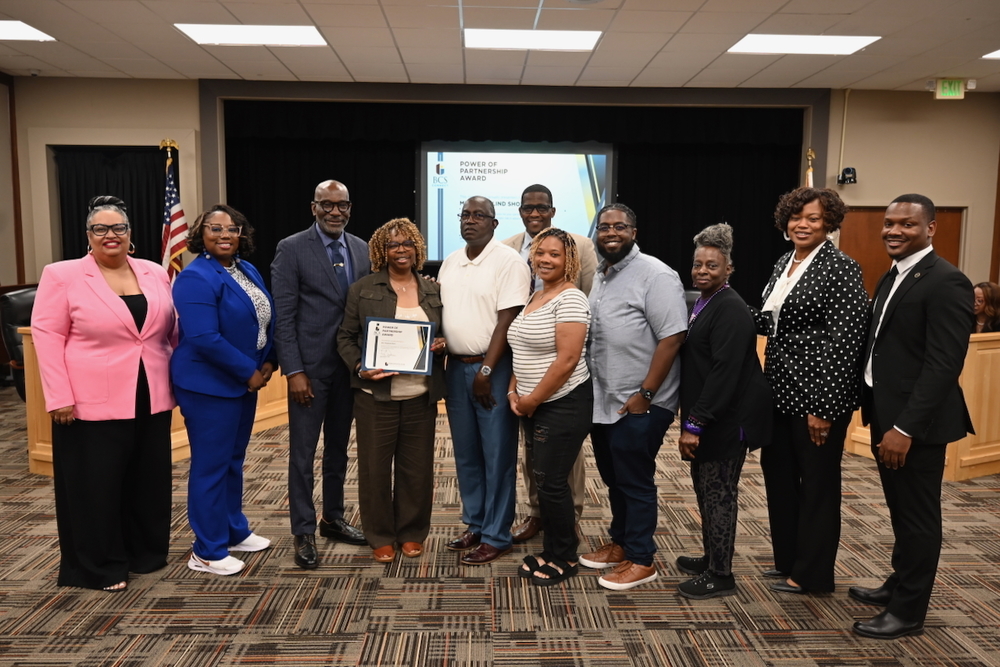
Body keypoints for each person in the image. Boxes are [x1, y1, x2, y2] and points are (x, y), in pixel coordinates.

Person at [32, 195, 176, 592]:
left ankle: (144, 553)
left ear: (130, 235)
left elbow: (169, 331)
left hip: (151, 394)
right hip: (87, 401)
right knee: (96, 486)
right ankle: (98, 565)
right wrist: (57, 395)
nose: (110, 235)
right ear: (88, 235)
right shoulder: (62, 275)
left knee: (147, 480)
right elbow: (47, 338)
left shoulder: (154, 273)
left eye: (118, 228)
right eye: (100, 228)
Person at [852, 194, 974, 639]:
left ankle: (908, 612)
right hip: (889, 417)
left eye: (906, 224)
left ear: (931, 228)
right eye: (889, 223)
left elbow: (944, 365)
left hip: (915, 427)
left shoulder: (947, 281)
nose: (893, 231)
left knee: (919, 518)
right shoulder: (896, 274)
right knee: (901, 511)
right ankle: (899, 583)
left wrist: (904, 428)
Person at [753, 186, 868, 596]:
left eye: (813, 218)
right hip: (779, 395)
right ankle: (788, 561)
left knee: (818, 487)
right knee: (779, 479)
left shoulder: (841, 268)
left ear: (830, 222)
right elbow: (770, 322)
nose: (802, 225)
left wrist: (825, 407)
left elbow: (845, 342)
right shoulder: (785, 262)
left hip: (816, 400)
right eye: (796, 217)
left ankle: (814, 574)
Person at [580, 203, 687, 591]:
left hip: (640, 403)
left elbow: (673, 337)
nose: (610, 232)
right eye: (604, 226)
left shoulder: (656, 275)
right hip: (604, 401)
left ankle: (642, 559)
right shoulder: (603, 276)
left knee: (635, 480)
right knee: (614, 477)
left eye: (619, 226)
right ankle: (622, 543)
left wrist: (646, 393)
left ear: (634, 232)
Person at [171, 205, 277, 576]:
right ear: (201, 234)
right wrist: (248, 371)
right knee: (210, 467)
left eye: (231, 228)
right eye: (214, 229)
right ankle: (206, 550)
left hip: (243, 383)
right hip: (208, 387)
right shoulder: (195, 277)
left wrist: (269, 360)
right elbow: (204, 338)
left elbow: (262, 318)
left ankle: (232, 530)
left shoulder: (245, 268)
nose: (224, 235)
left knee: (232, 461)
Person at [271, 180, 370, 570]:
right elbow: (284, 316)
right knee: (303, 454)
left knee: (339, 451)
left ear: (349, 208)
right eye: (326, 205)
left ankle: (333, 517)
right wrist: (294, 370)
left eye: (341, 205)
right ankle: (303, 530)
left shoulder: (362, 248)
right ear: (314, 207)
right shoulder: (291, 248)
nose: (334, 212)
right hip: (309, 373)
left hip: (350, 371)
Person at [337, 218, 446, 563]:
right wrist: (359, 366)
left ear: (418, 249)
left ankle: (412, 532)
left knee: (417, 469)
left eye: (408, 244)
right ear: (381, 252)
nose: (401, 250)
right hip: (375, 399)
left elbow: (443, 334)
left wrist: (440, 344)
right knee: (375, 469)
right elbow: (345, 336)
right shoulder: (363, 288)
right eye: (393, 245)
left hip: (419, 396)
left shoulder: (433, 290)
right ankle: (381, 534)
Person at [675, 223, 772, 599]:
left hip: (727, 421)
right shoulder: (706, 301)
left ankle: (722, 574)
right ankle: (711, 556)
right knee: (706, 491)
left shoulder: (730, 308)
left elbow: (724, 375)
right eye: (698, 264)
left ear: (728, 269)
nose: (702, 271)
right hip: (712, 417)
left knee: (719, 495)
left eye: (712, 266)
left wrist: (694, 424)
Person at [502, 184, 597, 544]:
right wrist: (516, 388)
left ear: (553, 210)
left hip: (561, 378)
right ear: (521, 210)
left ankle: (567, 517)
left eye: (542, 207)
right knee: (533, 457)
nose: (535, 213)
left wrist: (536, 393)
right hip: (526, 368)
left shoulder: (579, 247)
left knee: (562, 458)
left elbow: (582, 299)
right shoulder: (509, 247)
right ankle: (538, 513)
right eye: (528, 207)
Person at [439, 196, 530, 565]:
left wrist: (487, 371)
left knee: (497, 455)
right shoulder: (450, 262)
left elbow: (507, 320)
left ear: (494, 223)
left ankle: (497, 534)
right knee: (466, 453)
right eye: (465, 214)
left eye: (479, 216)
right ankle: (475, 522)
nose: (470, 220)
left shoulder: (508, 261)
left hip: (492, 370)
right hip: (456, 368)